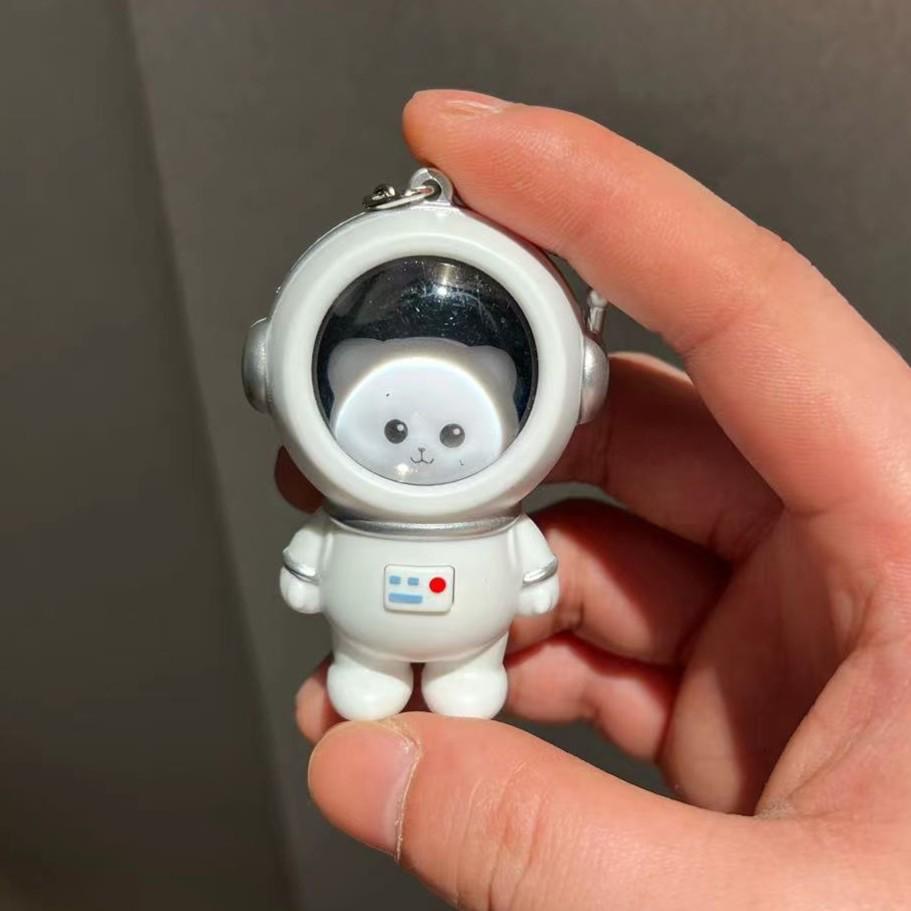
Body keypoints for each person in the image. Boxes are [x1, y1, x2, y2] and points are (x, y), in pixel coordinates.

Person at [278, 89, 911, 908]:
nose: (423, 451)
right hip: (366, 623)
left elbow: (526, 558)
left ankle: (465, 673)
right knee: (363, 678)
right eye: (395, 429)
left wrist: (533, 576)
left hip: (475, 631)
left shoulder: (498, 502)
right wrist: (309, 565)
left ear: (568, 390)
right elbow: (321, 543)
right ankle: (370, 669)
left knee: (468, 684)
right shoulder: (356, 495)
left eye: (451, 429)